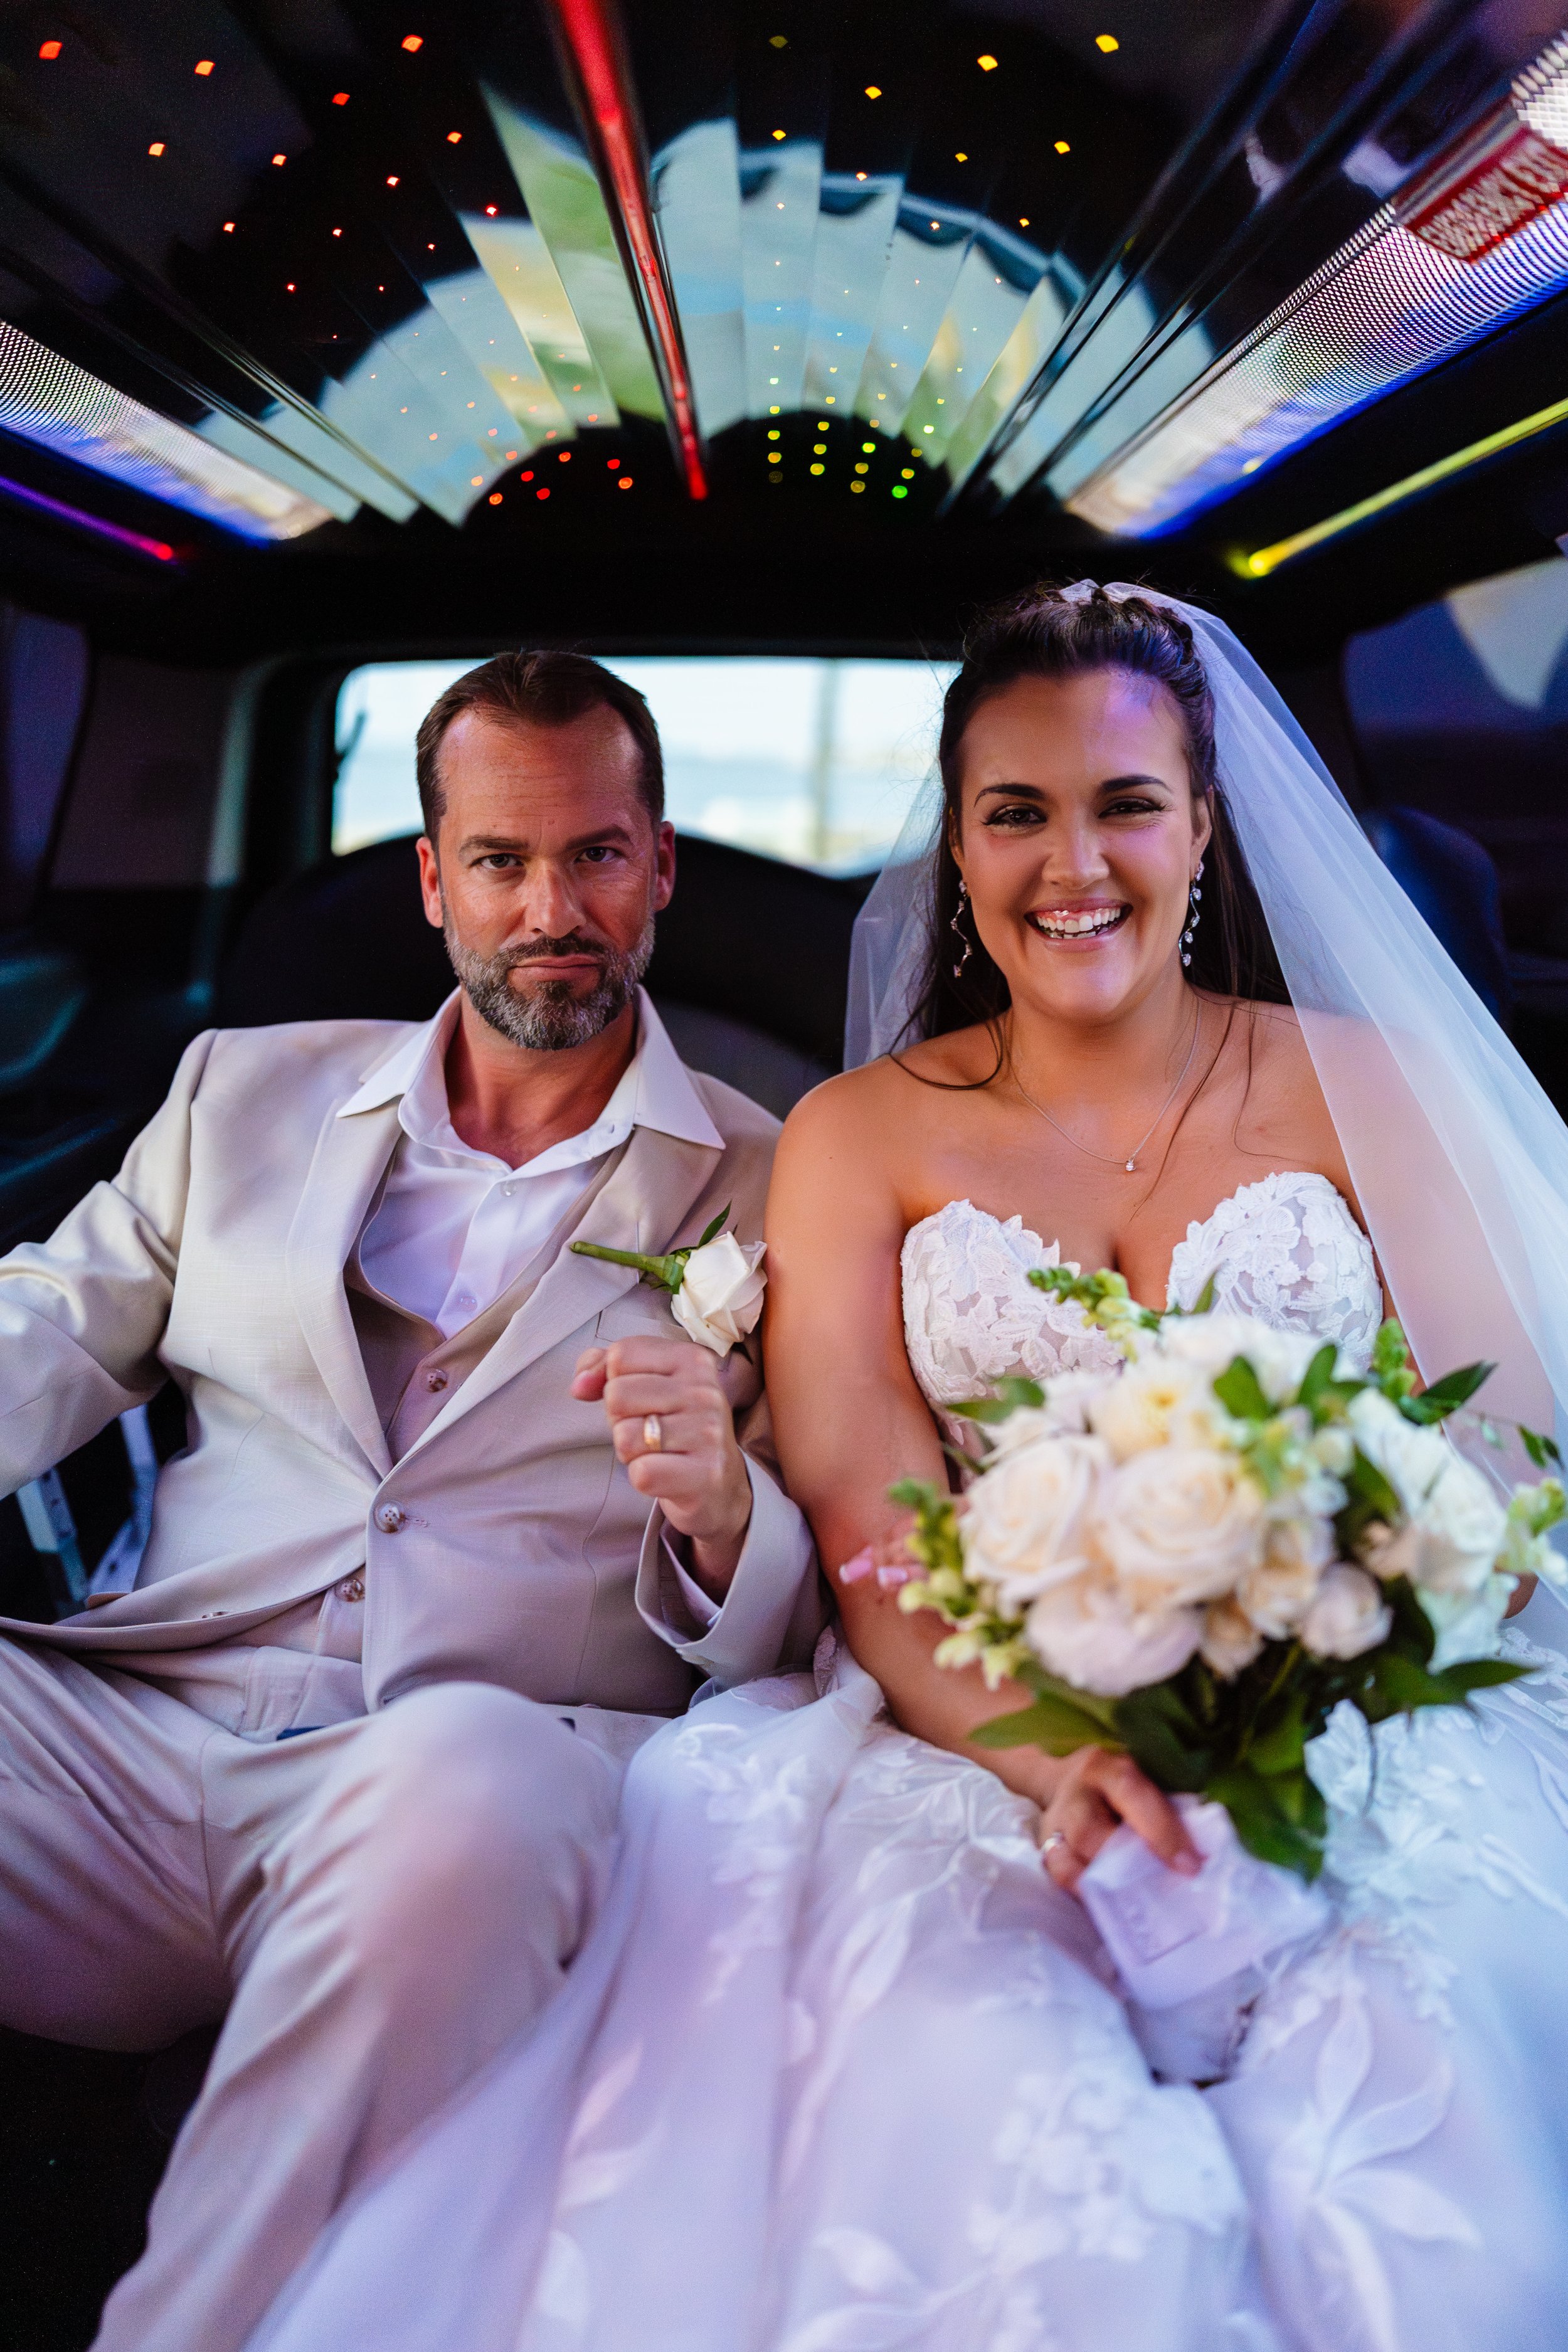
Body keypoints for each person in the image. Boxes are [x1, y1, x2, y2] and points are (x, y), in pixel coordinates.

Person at [238, 587, 1568, 2352]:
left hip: (1376, 1696)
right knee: (975, 2080)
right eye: (1013, 812)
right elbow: (870, 1523)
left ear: (1202, 825)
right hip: (977, 1717)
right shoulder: (861, 1137)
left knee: (1424, 2027)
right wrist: (1064, 1747)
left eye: (1122, 805)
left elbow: (1509, 1457)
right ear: (955, 843)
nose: (1068, 862)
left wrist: (1328, 1652)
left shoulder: (1366, 1086)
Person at [0, 649, 821, 2352]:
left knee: (470, 1771)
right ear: (434, 878)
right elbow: (45, 1327)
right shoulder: (244, 1088)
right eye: (505, 863)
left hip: (477, 1774)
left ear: (658, 866)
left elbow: (836, 1579)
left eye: (596, 855)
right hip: (138, 1752)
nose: (553, 910)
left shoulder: (783, 1176)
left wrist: (724, 1510)